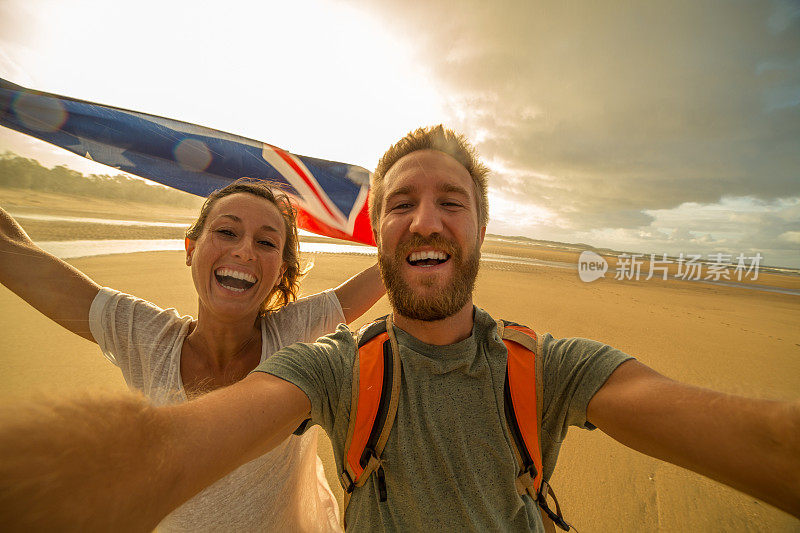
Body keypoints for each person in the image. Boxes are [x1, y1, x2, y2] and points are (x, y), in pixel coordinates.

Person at [0, 127, 798, 531]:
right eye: (401, 204)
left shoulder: (548, 365)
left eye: (452, 201)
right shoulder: (331, 367)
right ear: (379, 237)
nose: (426, 218)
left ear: (483, 231)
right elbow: (164, 450)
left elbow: (761, 443)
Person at [0, 178, 385, 532]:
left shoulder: (295, 332)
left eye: (266, 242)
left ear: (280, 269)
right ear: (191, 248)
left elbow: (393, 267)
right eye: (226, 231)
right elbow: (12, 252)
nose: (245, 250)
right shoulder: (148, 338)